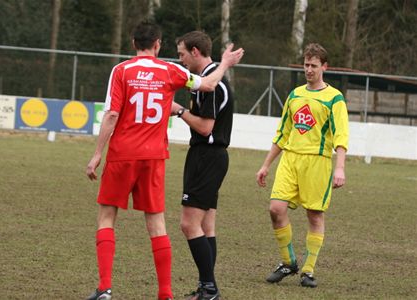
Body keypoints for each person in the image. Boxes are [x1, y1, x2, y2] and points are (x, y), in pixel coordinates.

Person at [85, 21, 243, 300]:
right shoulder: (171, 71)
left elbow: (111, 114)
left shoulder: (121, 70)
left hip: (122, 154)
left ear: (134, 44)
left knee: (107, 217)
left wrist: (98, 153)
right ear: (157, 44)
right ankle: (165, 294)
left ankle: (105, 288)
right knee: (157, 223)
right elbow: (207, 84)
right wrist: (225, 64)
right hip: (154, 157)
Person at [256, 43, 349, 288]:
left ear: (324, 67)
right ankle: (288, 262)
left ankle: (308, 270)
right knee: (276, 209)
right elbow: (282, 133)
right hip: (290, 159)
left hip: (317, 162)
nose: (309, 70)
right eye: (306, 65)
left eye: (314, 66)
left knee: (314, 214)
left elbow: (341, 137)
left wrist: (340, 168)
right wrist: (266, 165)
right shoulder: (295, 95)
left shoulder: (335, 98)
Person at [171, 31, 234, 300]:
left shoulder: (213, 86)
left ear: (195, 51)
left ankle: (209, 288)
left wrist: (179, 111)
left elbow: (206, 126)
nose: (181, 59)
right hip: (208, 156)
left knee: (188, 224)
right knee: (206, 226)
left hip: (207, 156)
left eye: (182, 54)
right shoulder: (205, 81)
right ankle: (207, 288)